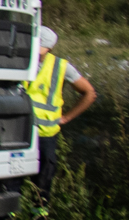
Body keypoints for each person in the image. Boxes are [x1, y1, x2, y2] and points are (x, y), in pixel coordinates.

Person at [25, 25, 95, 189]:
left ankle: (40, 213)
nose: (35, 53)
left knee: (43, 182)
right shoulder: (15, 61)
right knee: (10, 182)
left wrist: (67, 118)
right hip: (17, 131)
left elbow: (89, 93)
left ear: (49, 48)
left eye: (40, 50)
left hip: (45, 135)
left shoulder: (60, 66)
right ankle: (10, 214)